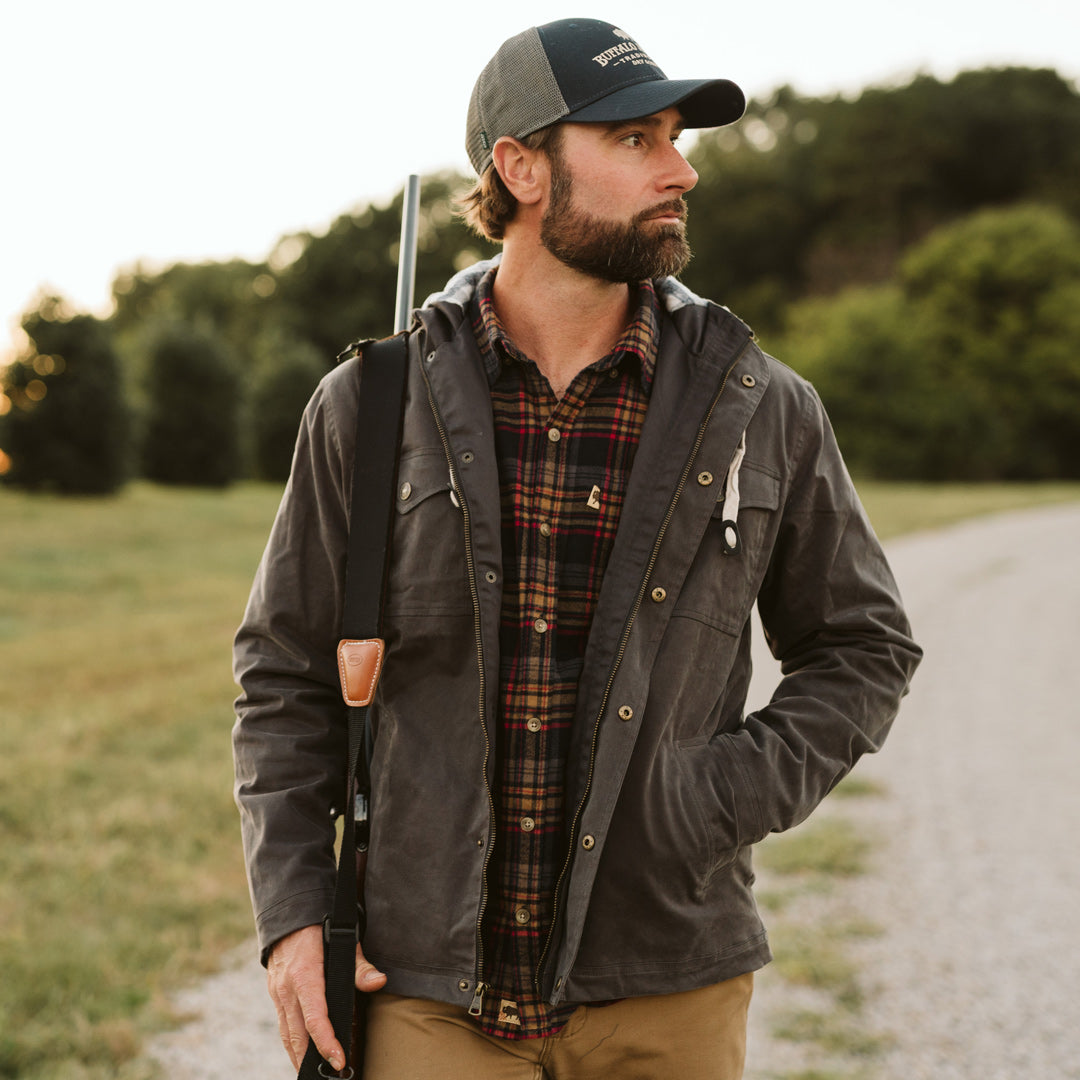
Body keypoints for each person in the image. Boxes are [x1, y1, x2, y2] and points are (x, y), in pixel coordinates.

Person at [233, 17, 921, 1080]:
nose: (681, 170)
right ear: (521, 168)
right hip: (423, 991)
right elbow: (284, 673)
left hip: (670, 984)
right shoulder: (369, 404)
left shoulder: (761, 404)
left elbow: (865, 647)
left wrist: (714, 800)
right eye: (636, 139)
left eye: (675, 139)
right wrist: (291, 916)